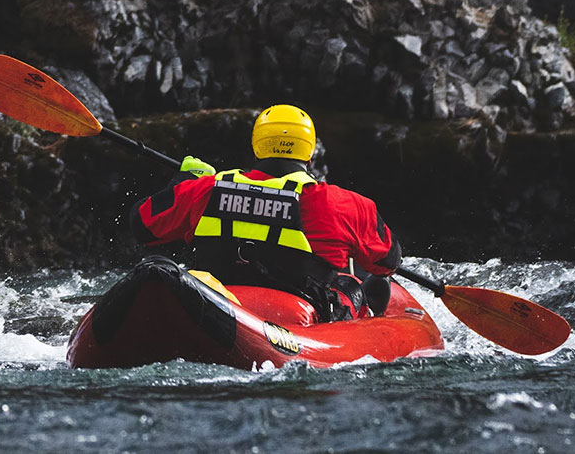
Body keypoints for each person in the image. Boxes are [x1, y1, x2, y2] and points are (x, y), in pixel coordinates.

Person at [130, 104, 400, 322]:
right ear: (309, 153)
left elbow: (141, 225)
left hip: (215, 297)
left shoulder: (206, 189)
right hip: (295, 316)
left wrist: (184, 181)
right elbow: (388, 261)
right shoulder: (343, 204)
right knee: (352, 286)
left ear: (257, 146)